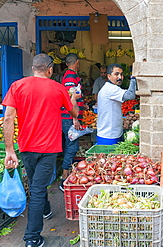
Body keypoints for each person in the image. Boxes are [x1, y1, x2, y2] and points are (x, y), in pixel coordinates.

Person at [2, 53, 80, 247]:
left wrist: (9, 150)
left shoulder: (17, 86)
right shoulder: (58, 88)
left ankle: (45, 209)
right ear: (50, 69)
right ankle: (32, 238)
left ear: (33, 68)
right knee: (37, 189)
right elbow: (74, 113)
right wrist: (74, 97)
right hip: (48, 148)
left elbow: (8, 118)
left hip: (26, 147)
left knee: (37, 183)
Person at [59, 53, 87, 192]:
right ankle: (64, 178)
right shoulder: (70, 76)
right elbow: (71, 96)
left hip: (67, 118)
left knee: (70, 146)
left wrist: (83, 105)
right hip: (69, 119)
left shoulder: (69, 75)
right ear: (77, 62)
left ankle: (66, 174)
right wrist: (75, 118)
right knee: (72, 147)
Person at [96, 63, 137, 144]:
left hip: (111, 133)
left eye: (121, 74)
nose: (120, 77)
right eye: (116, 74)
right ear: (109, 76)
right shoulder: (111, 89)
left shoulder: (110, 88)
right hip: (109, 135)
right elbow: (130, 95)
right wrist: (133, 78)